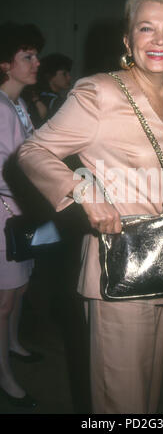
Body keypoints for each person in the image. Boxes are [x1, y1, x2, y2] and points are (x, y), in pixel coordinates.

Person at [18, 0, 163, 414]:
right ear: (128, 41)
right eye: (147, 28)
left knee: (148, 395)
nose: (159, 40)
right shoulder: (99, 93)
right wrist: (84, 194)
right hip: (116, 268)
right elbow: (33, 151)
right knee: (118, 402)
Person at [0, 21, 44, 408]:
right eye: (27, 56)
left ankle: (13, 344)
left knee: (21, 288)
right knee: (4, 300)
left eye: (36, 55)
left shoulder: (19, 104)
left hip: (23, 213)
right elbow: (6, 170)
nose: (36, 62)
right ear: (4, 63)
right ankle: (4, 375)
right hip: (6, 214)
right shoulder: (1, 108)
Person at [22, 52, 72, 128]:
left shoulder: (35, 96)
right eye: (64, 74)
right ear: (49, 75)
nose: (69, 77)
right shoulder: (56, 101)